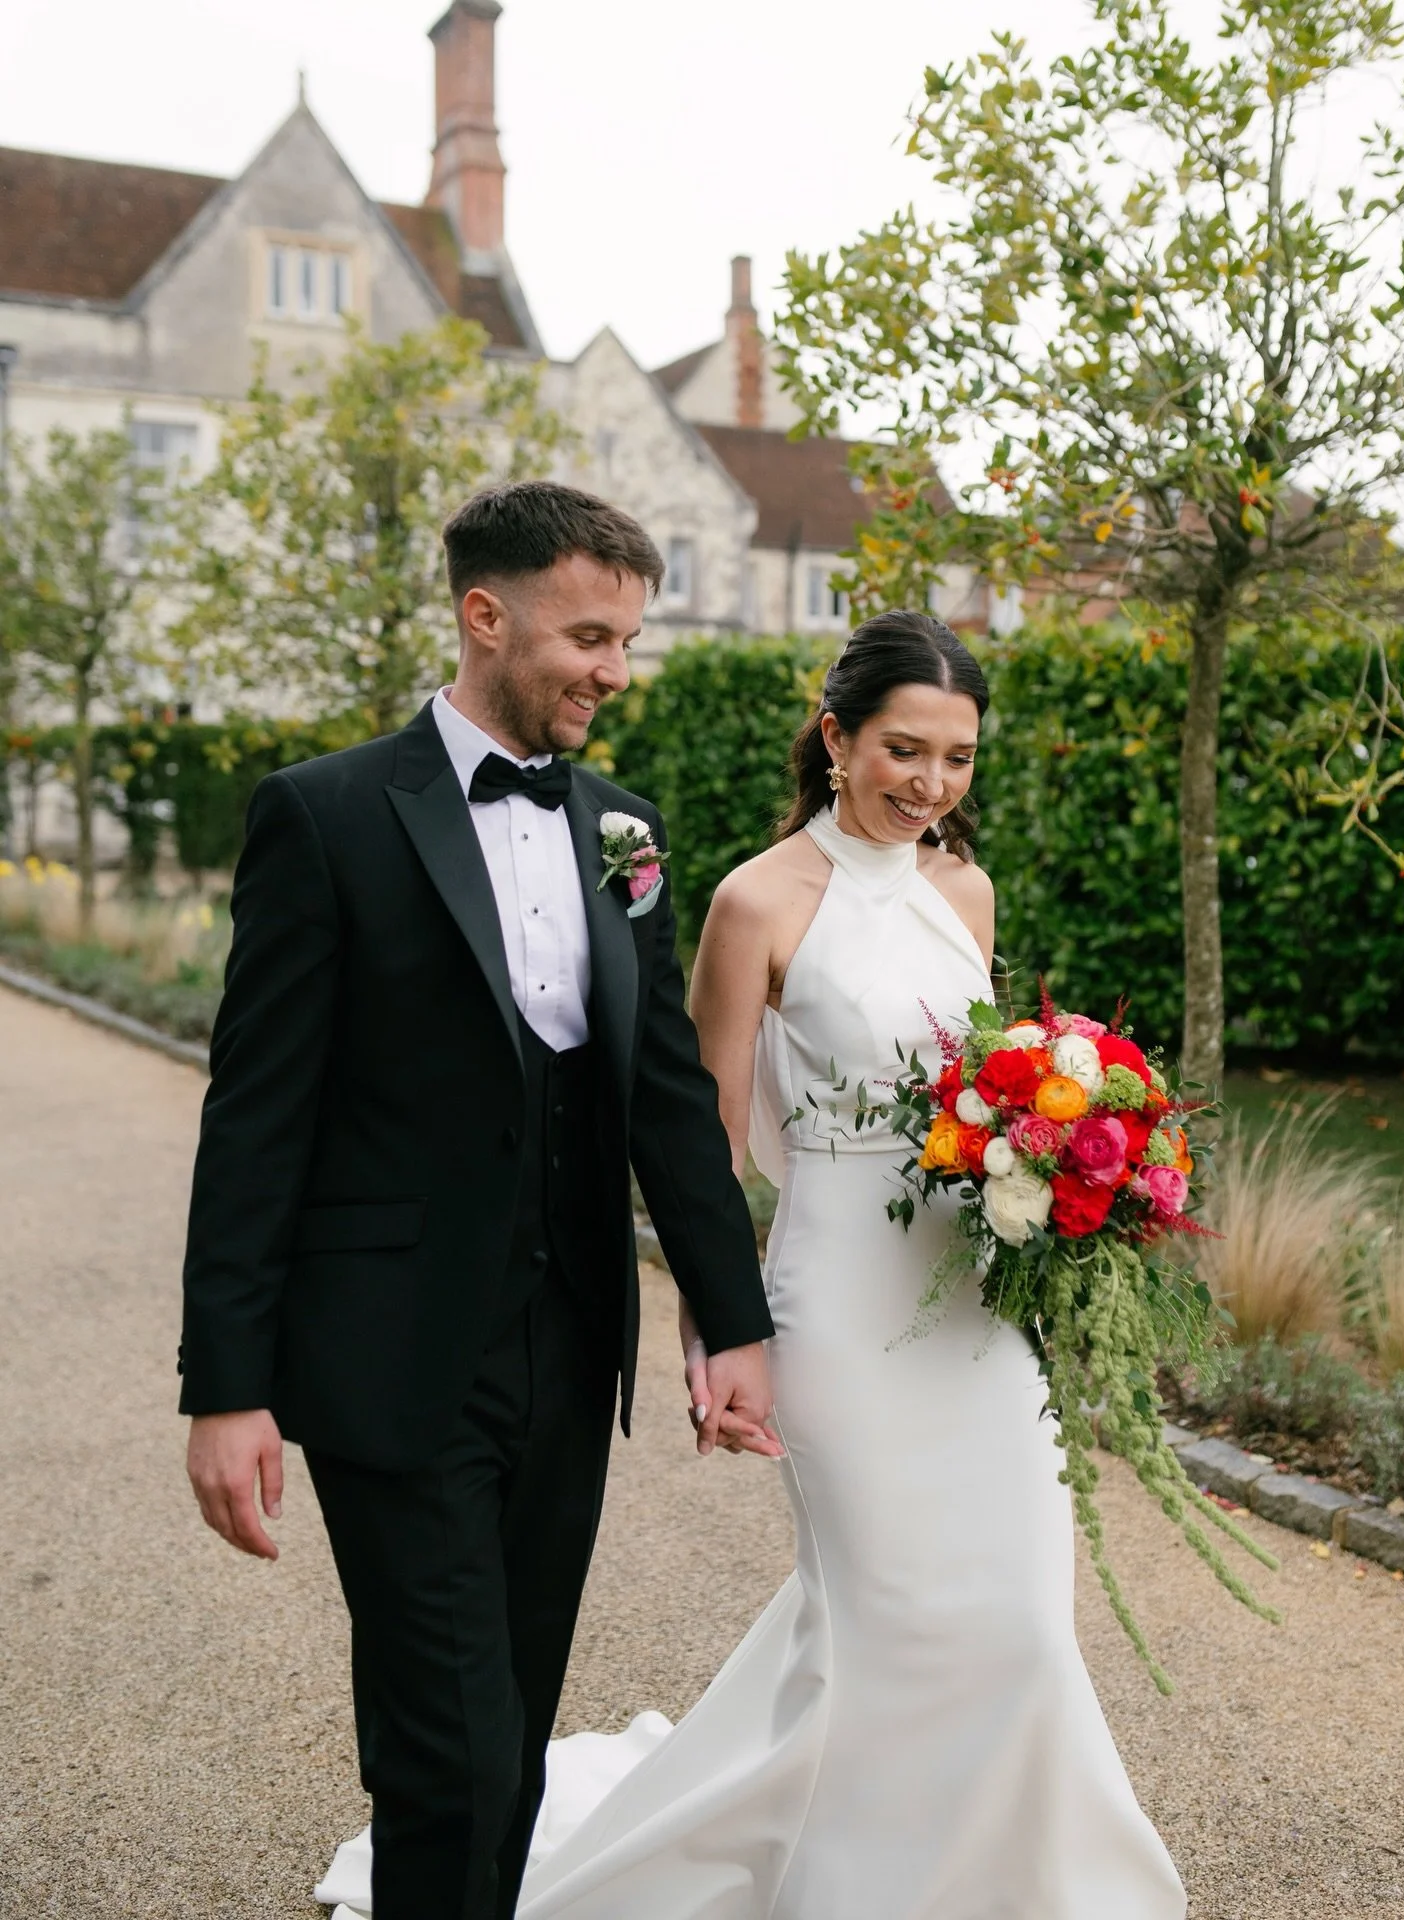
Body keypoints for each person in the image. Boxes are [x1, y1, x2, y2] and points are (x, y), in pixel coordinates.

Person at [475, 610, 1187, 1916]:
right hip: (837, 1304)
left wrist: (1069, 1178)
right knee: (888, 1623)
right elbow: (695, 1142)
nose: (931, 783)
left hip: (974, 1301)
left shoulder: (964, 893)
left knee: (1023, 1622)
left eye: (960, 758)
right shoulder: (756, 901)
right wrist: (716, 1332)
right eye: (904, 749)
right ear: (837, 737)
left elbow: (986, 1091)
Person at [179, 480, 780, 1920]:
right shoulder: (322, 816)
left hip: (569, 1355)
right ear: (484, 615)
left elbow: (662, 1100)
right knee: (452, 1737)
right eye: (587, 636)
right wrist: (227, 1384)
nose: (613, 671)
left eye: (627, 641)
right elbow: (258, 1120)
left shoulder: (626, 829)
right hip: (389, 1349)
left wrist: (729, 1315)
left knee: (501, 1720)